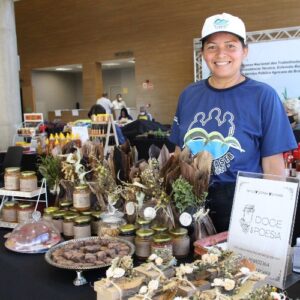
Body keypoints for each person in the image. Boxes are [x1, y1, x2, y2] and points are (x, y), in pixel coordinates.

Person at [169, 12, 297, 233]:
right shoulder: (188, 95)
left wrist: (270, 217)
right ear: (203, 53)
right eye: (212, 47)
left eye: (230, 45)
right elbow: (179, 153)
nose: (221, 54)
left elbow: (273, 166)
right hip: (189, 202)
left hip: (242, 204)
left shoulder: (263, 96)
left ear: (244, 51)